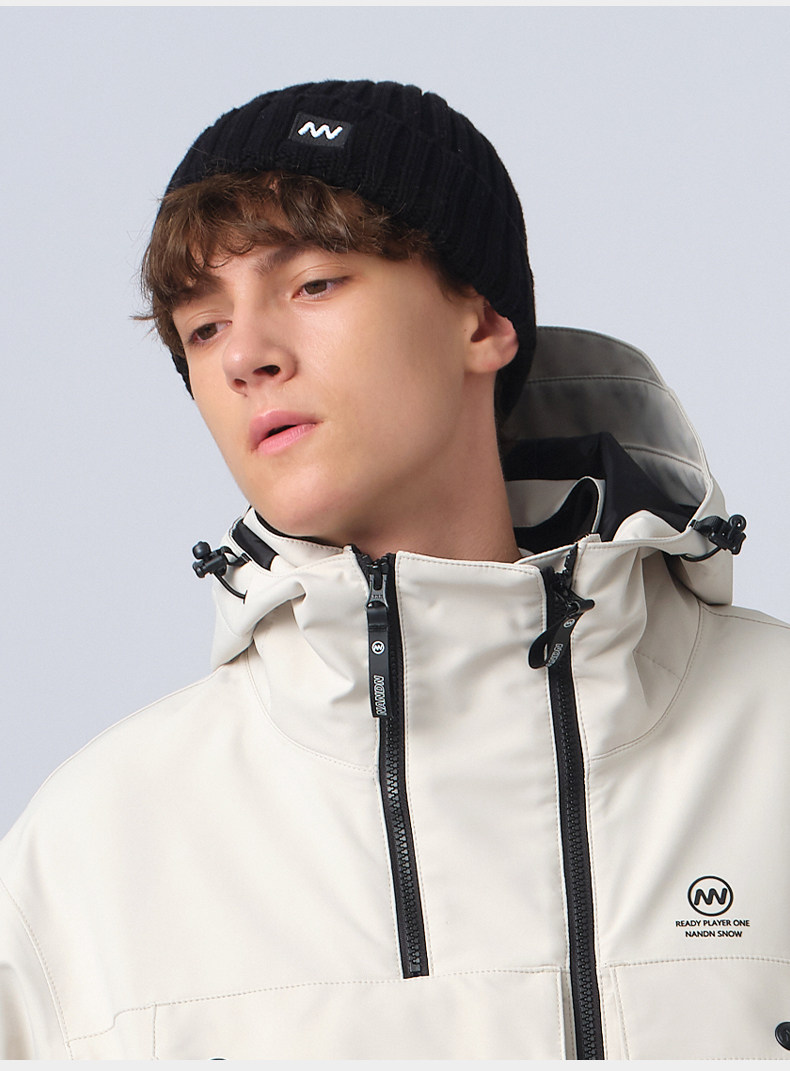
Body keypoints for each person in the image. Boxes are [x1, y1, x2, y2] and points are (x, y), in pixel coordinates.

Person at [1, 78, 789, 1061]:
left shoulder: (773, 739)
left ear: (481, 321)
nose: (246, 355)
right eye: (202, 328)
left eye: (312, 284)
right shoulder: (91, 856)